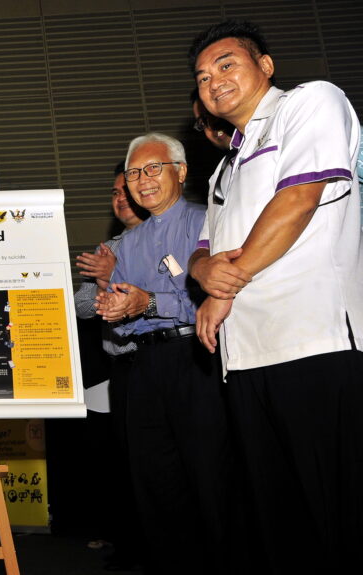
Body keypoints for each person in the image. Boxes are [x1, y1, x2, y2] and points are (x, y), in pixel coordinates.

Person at [188, 19, 362, 573]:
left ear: (265, 66)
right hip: (243, 359)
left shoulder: (309, 103)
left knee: (334, 511)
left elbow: (299, 199)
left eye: (226, 65)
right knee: (278, 520)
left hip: (313, 343)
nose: (213, 81)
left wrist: (225, 285)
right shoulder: (223, 169)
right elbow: (203, 249)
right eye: (202, 77)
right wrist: (204, 273)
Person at [94, 133, 231, 574]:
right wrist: (116, 309)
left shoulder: (205, 222)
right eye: (134, 173)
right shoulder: (129, 243)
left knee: (207, 475)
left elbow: (213, 299)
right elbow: (129, 317)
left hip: (197, 356)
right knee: (154, 480)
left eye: (153, 168)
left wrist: (149, 303)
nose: (142, 180)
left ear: (181, 171)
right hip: (144, 365)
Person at [73, 162, 144, 570]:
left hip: (159, 360)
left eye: (125, 192)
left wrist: (114, 277)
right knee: (124, 460)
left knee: (156, 460)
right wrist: (103, 287)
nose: (119, 199)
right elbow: (83, 305)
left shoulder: (169, 235)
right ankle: (129, 543)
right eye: (115, 193)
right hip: (120, 369)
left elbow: (169, 292)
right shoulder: (109, 246)